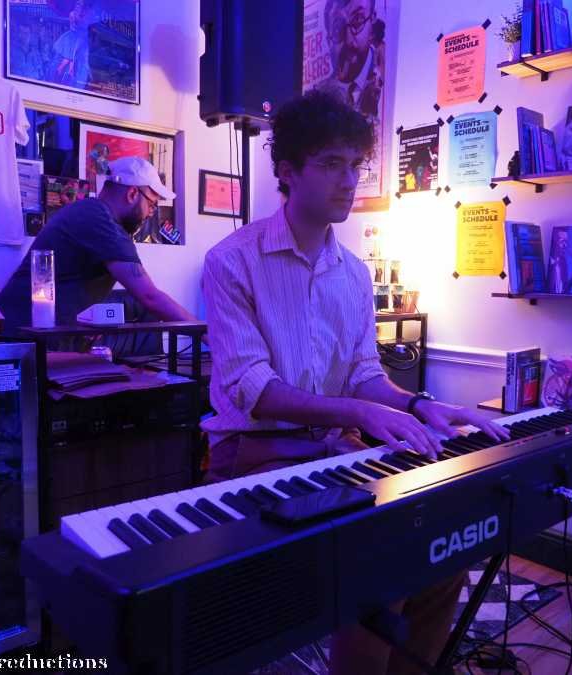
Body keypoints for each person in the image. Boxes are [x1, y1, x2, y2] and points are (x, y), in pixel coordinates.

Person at [200, 90, 509, 675]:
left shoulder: (355, 274)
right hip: (254, 455)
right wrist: (358, 415)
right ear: (288, 172)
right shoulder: (231, 261)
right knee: (381, 565)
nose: (349, 181)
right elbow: (255, 391)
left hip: (332, 451)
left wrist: (417, 404)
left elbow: (365, 375)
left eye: (355, 165)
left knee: (444, 551)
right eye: (331, 164)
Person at [0, 156, 195, 334]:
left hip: (31, 333)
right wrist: (204, 333)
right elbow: (149, 296)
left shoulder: (89, 211)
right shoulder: (100, 221)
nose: (151, 213)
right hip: (28, 338)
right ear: (133, 194)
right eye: (152, 204)